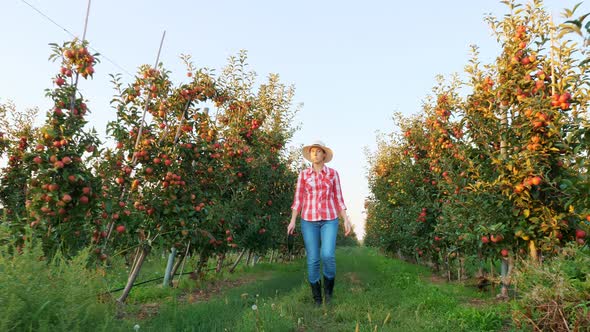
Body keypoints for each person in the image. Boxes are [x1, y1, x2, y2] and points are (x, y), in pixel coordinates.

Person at [287, 140, 352, 306]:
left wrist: (346, 219)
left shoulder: (333, 174)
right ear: (310, 155)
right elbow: (298, 199)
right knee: (313, 259)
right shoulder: (303, 175)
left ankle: (328, 295)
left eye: (318, 151)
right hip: (308, 220)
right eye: (312, 151)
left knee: (328, 255)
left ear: (324, 155)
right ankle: (317, 299)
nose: (314, 154)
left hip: (329, 219)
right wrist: (293, 220)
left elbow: (339, 199)